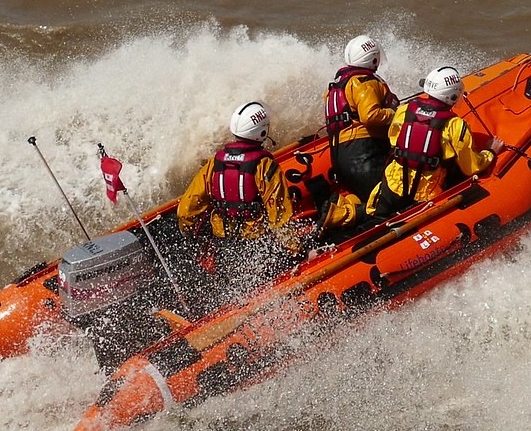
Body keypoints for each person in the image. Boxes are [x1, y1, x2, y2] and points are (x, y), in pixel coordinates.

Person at [318, 66, 503, 233]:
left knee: (372, 215)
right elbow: (470, 166)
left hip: (392, 187)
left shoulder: (404, 111)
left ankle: (339, 215)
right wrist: (490, 152)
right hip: (423, 195)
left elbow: (392, 139)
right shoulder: (456, 125)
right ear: (453, 96)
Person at [177, 101, 299, 307]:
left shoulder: (214, 164)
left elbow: (186, 209)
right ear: (261, 132)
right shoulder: (264, 165)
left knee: (233, 294)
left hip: (225, 246)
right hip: (256, 247)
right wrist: (296, 251)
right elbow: (279, 217)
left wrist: (191, 235)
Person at [324, 34, 400, 202]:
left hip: (340, 157)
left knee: (367, 201)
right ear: (372, 59)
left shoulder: (336, 85)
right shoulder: (365, 82)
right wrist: (396, 114)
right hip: (364, 155)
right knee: (388, 201)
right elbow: (370, 116)